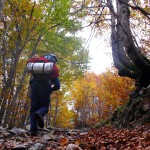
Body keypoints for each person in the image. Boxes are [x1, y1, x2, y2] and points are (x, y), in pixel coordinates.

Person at [27, 54, 60, 136]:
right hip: (46, 87)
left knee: (33, 109)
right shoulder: (50, 69)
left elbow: (31, 82)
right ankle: (40, 113)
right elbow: (57, 85)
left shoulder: (36, 65)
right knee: (44, 106)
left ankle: (33, 131)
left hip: (35, 87)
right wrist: (51, 89)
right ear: (53, 61)